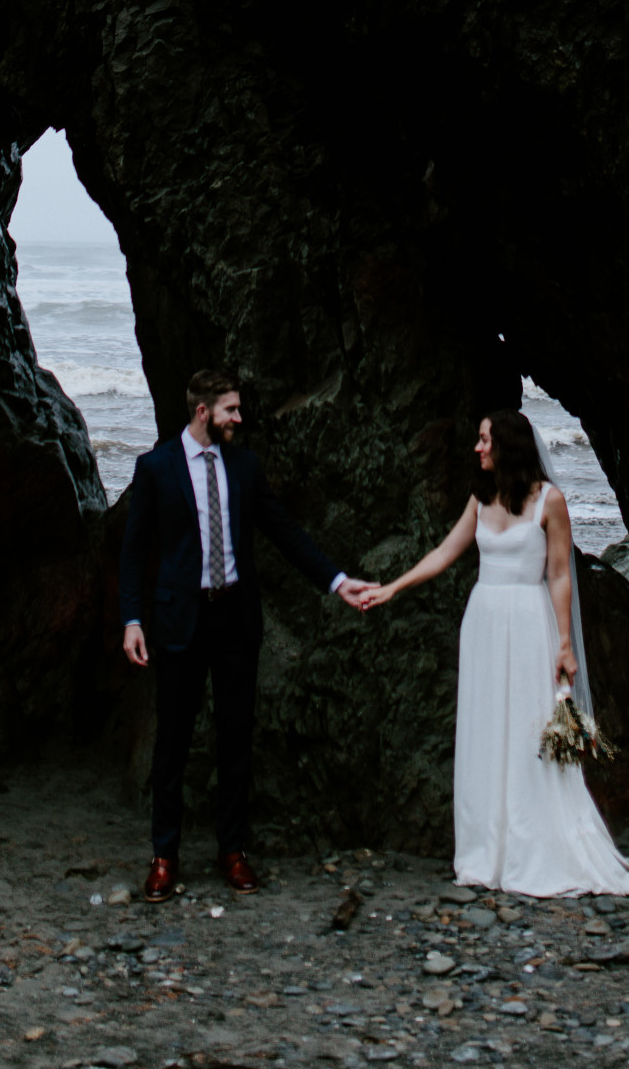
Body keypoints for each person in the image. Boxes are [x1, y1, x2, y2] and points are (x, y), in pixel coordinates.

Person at [362, 407, 629, 898]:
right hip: (483, 621)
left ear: (507, 445)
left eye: (484, 440)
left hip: (527, 621)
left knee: (525, 729)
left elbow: (560, 574)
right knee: (485, 729)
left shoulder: (550, 502)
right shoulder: (481, 499)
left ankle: (530, 850)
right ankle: (485, 853)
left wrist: (564, 644)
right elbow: (444, 553)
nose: (477, 448)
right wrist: (393, 588)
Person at [120, 367, 373, 899]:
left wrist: (336, 580)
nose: (239, 417)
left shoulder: (245, 466)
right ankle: (164, 856)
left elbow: (285, 532)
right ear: (202, 411)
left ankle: (233, 852)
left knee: (237, 738)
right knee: (173, 743)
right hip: (178, 621)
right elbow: (134, 551)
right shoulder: (156, 468)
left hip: (235, 618)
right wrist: (132, 619)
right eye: (231, 409)